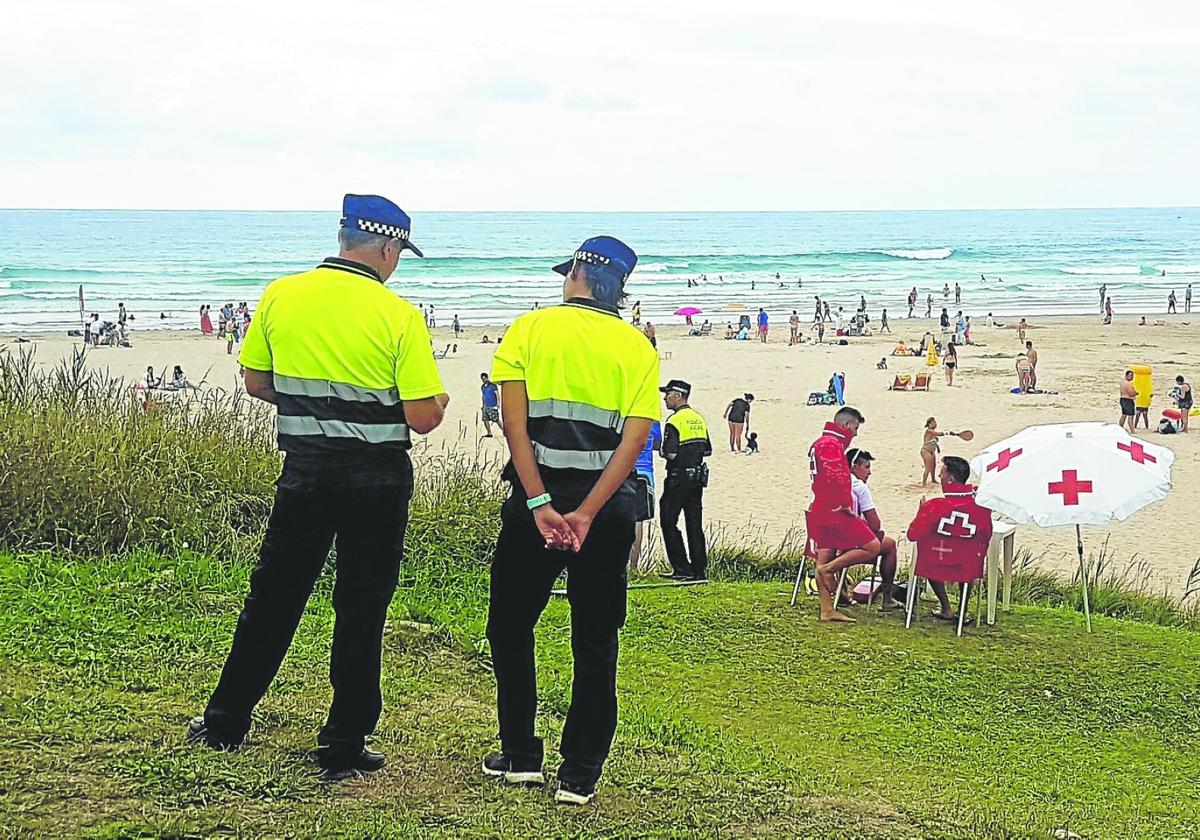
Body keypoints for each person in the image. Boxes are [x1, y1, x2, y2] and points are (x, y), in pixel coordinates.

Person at [190, 194, 447, 781]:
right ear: (386, 248)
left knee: (274, 596)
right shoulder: (398, 315)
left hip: (305, 469)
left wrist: (316, 407)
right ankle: (343, 742)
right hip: (377, 479)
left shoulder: (283, 293)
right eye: (399, 254)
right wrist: (433, 401)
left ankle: (226, 719)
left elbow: (257, 382)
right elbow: (423, 415)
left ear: (341, 236)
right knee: (361, 606)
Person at [482, 235, 657, 806]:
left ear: (578, 272)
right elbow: (634, 441)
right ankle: (580, 772)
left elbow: (514, 425)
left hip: (535, 505)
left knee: (510, 627)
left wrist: (539, 503)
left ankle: (519, 756)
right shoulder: (637, 346)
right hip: (604, 515)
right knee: (596, 637)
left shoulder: (530, 328)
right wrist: (585, 512)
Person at [807, 406, 878, 623]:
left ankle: (827, 609)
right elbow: (835, 476)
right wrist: (846, 504)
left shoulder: (819, 443)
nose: (855, 434)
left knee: (824, 555)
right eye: (855, 429)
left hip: (820, 507)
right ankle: (830, 570)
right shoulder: (831, 444)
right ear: (846, 426)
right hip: (834, 509)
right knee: (873, 546)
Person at [906, 456, 992, 623]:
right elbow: (985, 536)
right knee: (968, 558)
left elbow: (913, 535)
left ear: (951, 479)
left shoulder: (932, 506)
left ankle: (946, 607)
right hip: (965, 566)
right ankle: (963, 610)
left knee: (929, 559)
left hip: (934, 563)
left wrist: (920, 512)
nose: (939, 477)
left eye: (942, 473)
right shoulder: (981, 508)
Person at [659, 379, 712, 581]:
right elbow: (707, 449)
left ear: (679, 396)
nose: (665, 398)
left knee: (668, 520)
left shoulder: (674, 421)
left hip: (678, 477)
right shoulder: (698, 419)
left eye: (668, 394)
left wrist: (663, 451)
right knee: (694, 523)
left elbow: (670, 453)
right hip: (697, 478)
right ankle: (699, 570)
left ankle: (681, 568)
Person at [846, 448, 898, 609]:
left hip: (829, 539)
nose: (869, 472)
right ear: (854, 467)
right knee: (890, 545)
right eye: (866, 467)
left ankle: (840, 590)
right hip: (849, 542)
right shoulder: (859, 487)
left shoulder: (837, 481)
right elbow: (875, 523)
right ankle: (887, 598)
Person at [629, 420, 663, 572]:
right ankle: (634, 566)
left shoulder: (623, 414)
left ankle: (618, 565)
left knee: (617, 518)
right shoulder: (652, 420)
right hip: (645, 472)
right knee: (638, 521)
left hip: (621, 470)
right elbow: (658, 444)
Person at [920, 416, 946, 485]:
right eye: (932, 423)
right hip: (926, 451)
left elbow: (935, 437)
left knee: (933, 466)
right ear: (929, 424)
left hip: (932, 451)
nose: (934, 424)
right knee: (927, 467)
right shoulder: (929, 430)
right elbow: (939, 434)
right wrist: (948, 433)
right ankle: (924, 483)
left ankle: (933, 479)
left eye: (935, 422)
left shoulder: (932, 432)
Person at [480, 372, 500, 437]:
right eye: (482, 379)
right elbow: (483, 396)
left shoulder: (493, 385)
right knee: (485, 420)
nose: (483, 380)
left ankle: (504, 431)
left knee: (496, 419)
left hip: (492, 405)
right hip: (486, 405)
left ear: (487, 378)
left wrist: (498, 403)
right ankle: (489, 433)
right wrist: (483, 405)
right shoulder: (482, 387)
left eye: (484, 378)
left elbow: (497, 394)